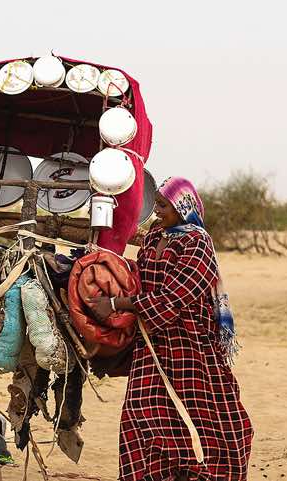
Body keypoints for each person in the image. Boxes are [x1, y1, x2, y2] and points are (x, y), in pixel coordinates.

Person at [88, 177, 253, 481]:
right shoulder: (154, 235)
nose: (157, 212)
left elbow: (178, 296)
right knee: (141, 414)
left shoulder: (197, 242)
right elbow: (136, 268)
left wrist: (117, 303)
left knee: (214, 416)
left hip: (191, 344)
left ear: (183, 206)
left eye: (163, 206)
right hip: (152, 342)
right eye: (156, 205)